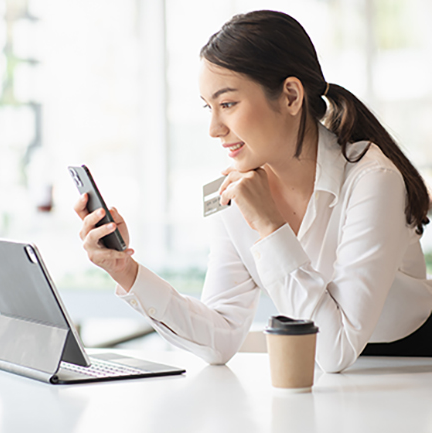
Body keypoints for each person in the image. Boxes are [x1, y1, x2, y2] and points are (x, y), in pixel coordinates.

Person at [74, 10, 432, 373]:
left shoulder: (372, 178)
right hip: (323, 379)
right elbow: (221, 335)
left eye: (227, 104)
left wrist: (270, 226)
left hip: (411, 368)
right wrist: (127, 272)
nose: (214, 128)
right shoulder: (231, 190)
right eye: (208, 107)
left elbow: (334, 350)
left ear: (291, 96)